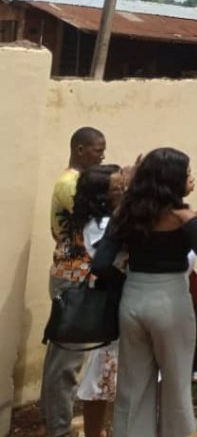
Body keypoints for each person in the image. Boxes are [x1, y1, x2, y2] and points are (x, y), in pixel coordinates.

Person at [91, 148, 197, 437]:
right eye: (186, 173)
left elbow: (100, 264)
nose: (190, 177)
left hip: (133, 300)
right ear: (172, 180)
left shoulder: (126, 213)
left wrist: (127, 282)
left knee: (133, 386)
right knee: (175, 386)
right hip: (171, 301)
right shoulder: (181, 216)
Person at [42, 125, 106, 437]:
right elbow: (98, 216)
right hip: (71, 279)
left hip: (82, 278)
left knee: (74, 361)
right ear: (80, 149)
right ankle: (59, 431)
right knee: (64, 365)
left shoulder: (82, 182)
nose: (102, 155)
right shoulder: (70, 184)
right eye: (98, 149)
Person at [71, 164, 124, 437]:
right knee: (101, 378)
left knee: (115, 379)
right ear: (103, 197)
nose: (124, 190)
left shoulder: (114, 220)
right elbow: (111, 262)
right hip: (110, 310)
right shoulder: (100, 226)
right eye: (118, 188)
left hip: (122, 306)